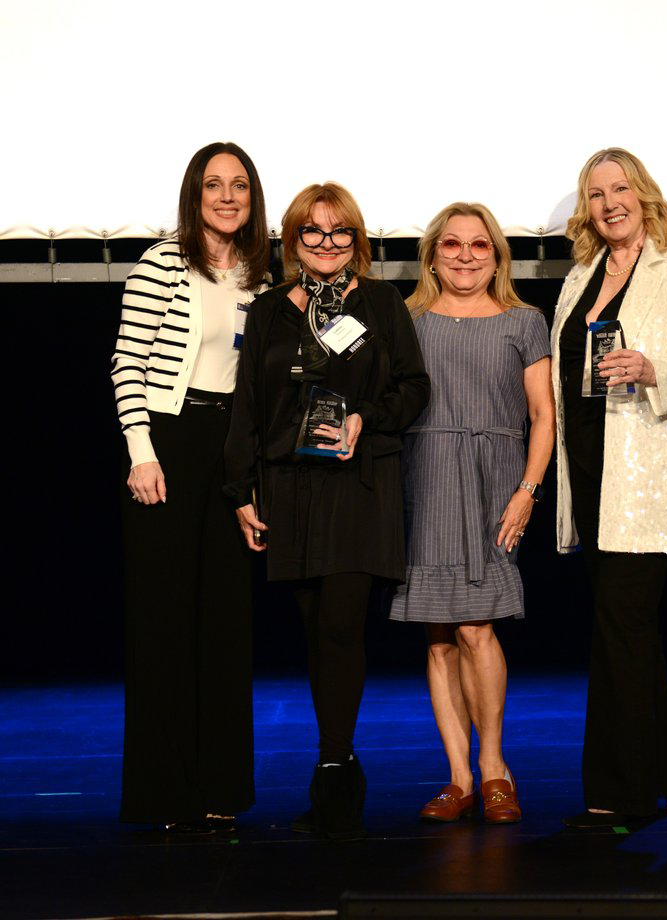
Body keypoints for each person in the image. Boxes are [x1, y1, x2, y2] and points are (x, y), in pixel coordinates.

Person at [224, 182, 429, 839]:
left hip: (358, 486)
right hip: (291, 488)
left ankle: (337, 771)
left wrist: (367, 419)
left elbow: (414, 387)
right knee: (317, 635)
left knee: (341, 627)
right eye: (313, 232)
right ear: (292, 239)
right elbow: (248, 409)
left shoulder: (381, 303)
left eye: (340, 232)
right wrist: (242, 491)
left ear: (357, 240)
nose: (327, 243)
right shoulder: (268, 315)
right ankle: (335, 763)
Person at [551, 148, 667, 826]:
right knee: (626, 627)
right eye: (595, 194)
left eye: (619, 188)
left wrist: (655, 369)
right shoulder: (578, 277)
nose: (608, 203)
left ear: (643, 193)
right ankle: (653, 773)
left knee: (621, 623)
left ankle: (619, 786)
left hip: (648, 473)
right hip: (592, 473)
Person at [112, 141, 271, 833]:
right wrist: (141, 452)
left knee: (226, 621)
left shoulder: (265, 276)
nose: (227, 196)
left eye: (239, 185)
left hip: (232, 452)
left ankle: (220, 788)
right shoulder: (161, 262)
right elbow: (127, 365)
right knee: (164, 620)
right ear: (194, 194)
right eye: (214, 185)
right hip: (170, 446)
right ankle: (163, 791)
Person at [390, 203, 555, 824]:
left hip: (494, 482)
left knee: (477, 627)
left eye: (478, 245)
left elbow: (543, 415)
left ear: (497, 255)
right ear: (432, 254)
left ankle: (494, 767)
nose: (464, 256)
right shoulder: (408, 320)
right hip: (424, 477)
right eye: (452, 245)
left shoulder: (523, 321)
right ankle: (458, 777)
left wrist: (528, 489)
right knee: (438, 635)